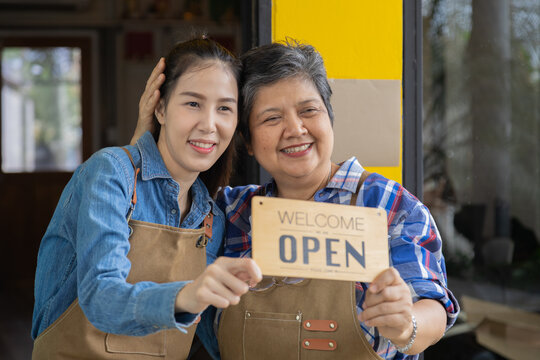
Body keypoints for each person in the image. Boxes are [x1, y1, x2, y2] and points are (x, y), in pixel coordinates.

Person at [134, 39, 459, 360]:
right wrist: (144, 139)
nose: (295, 129)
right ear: (245, 140)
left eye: (309, 111)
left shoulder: (389, 204)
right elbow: (148, 242)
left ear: (329, 117)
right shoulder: (229, 213)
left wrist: (407, 325)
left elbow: (434, 306)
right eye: (271, 118)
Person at [31, 37, 262, 360]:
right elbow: (100, 297)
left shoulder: (212, 218)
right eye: (193, 103)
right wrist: (187, 295)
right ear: (161, 108)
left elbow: (212, 336)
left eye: (224, 108)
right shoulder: (111, 173)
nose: (209, 125)